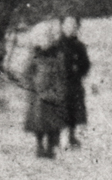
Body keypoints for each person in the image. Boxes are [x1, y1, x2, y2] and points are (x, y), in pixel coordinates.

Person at [24, 21, 68, 159]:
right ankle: (39, 146)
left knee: (53, 122)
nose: (45, 41)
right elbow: (26, 73)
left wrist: (60, 89)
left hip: (54, 93)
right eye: (42, 37)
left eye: (48, 37)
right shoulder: (34, 56)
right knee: (39, 122)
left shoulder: (57, 56)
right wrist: (32, 87)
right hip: (38, 96)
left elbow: (62, 74)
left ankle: (50, 147)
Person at [56, 16, 91, 148]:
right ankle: (63, 139)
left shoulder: (79, 46)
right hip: (60, 84)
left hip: (75, 84)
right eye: (68, 25)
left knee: (75, 110)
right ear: (62, 26)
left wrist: (79, 69)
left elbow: (86, 64)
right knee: (63, 110)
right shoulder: (57, 45)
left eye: (74, 26)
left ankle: (72, 137)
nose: (71, 28)